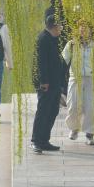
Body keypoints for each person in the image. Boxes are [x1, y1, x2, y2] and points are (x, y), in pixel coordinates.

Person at [64, 20, 94, 145]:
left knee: (91, 107)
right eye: (81, 28)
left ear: (91, 30)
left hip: (91, 79)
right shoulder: (71, 44)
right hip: (75, 78)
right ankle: (74, 128)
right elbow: (63, 61)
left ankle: (89, 134)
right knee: (72, 105)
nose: (83, 30)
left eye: (85, 28)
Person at [31, 14, 65, 153]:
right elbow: (41, 63)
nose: (61, 29)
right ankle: (36, 141)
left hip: (55, 81)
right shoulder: (43, 39)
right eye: (60, 26)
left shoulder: (54, 39)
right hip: (46, 83)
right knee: (43, 111)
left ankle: (44, 140)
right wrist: (43, 81)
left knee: (53, 110)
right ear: (54, 26)